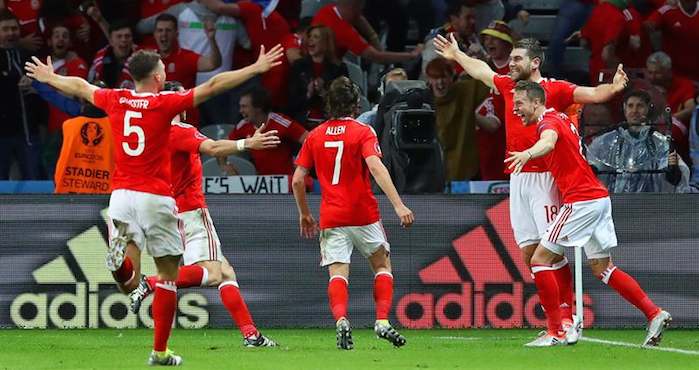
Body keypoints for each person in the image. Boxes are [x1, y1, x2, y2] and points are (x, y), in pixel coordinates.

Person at [25, 43, 284, 365]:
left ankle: (122, 266)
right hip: (162, 201)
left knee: (128, 280)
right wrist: (255, 71)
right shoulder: (168, 111)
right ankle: (160, 347)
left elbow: (79, 85)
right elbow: (215, 89)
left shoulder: (115, 98)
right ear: (156, 76)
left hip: (119, 196)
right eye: (162, 67)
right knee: (172, 276)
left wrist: (49, 77)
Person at [434, 34, 629, 343]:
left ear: (534, 62)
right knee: (528, 253)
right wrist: (457, 54)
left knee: (547, 254)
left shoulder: (556, 89)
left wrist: (614, 89)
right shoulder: (510, 87)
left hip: (546, 177)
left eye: (517, 59)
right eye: (510, 59)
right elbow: (481, 71)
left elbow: (592, 93)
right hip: (519, 176)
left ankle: (564, 321)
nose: (510, 64)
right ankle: (563, 320)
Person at [504, 80, 671, 347]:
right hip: (598, 198)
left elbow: (547, 142)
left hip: (581, 202)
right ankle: (654, 313)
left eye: (520, 104)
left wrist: (527, 153)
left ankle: (556, 331)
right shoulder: (560, 117)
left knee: (539, 260)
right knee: (602, 268)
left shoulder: (547, 123)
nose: (515, 110)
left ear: (536, 102)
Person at [126, 112, 281, 348]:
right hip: (191, 212)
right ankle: (151, 282)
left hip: (165, 214)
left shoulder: (149, 137)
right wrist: (247, 143)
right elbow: (214, 147)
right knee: (214, 273)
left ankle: (252, 335)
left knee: (227, 273)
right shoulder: (179, 130)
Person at [292, 76, 414, 350]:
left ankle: (341, 321)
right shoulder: (363, 132)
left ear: (329, 105)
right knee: (382, 266)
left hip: (332, 216)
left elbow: (298, 179)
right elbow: (377, 168)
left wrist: (304, 213)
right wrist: (398, 204)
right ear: (356, 104)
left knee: (338, 273)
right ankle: (382, 322)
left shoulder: (315, 135)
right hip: (363, 214)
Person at [586, 89, 692, 193]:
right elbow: (592, 166)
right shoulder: (607, 140)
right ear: (624, 109)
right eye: (630, 106)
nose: (634, 111)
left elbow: (675, 179)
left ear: (648, 109)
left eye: (640, 106)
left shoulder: (660, 143)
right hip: (615, 203)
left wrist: (673, 171)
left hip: (648, 204)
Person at [221, 88, 308, 179]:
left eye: (244, 106)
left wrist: (301, 163)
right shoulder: (243, 126)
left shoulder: (281, 122)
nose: (240, 111)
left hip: (287, 181)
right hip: (262, 183)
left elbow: (310, 140)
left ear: (258, 108)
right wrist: (225, 166)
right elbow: (223, 147)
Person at [0, 9, 43, 180]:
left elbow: (44, 91)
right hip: (1, 136)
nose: (11, 33)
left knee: (33, 183)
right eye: (5, 29)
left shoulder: (29, 58)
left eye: (14, 29)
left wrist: (35, 85)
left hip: (28, 135)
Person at [311, 0, 422, 64]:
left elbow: (359, 18)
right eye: (360, 8)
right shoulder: (345, 32)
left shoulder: (327, 10)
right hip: (325, 71)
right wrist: (411, 55)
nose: (362, 12)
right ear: (355, 7)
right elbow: (377, 57)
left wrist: (373, 37)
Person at [287, 24, 348, 126]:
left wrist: (324, 93)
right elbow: (291, 100)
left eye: (315, 37)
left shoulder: (339, 68)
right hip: (303, 121)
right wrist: (308, 94)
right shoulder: (299, 66)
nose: (310, 40)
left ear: (325, 42)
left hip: (330, 121)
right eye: (310, 36)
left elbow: (344, 100)